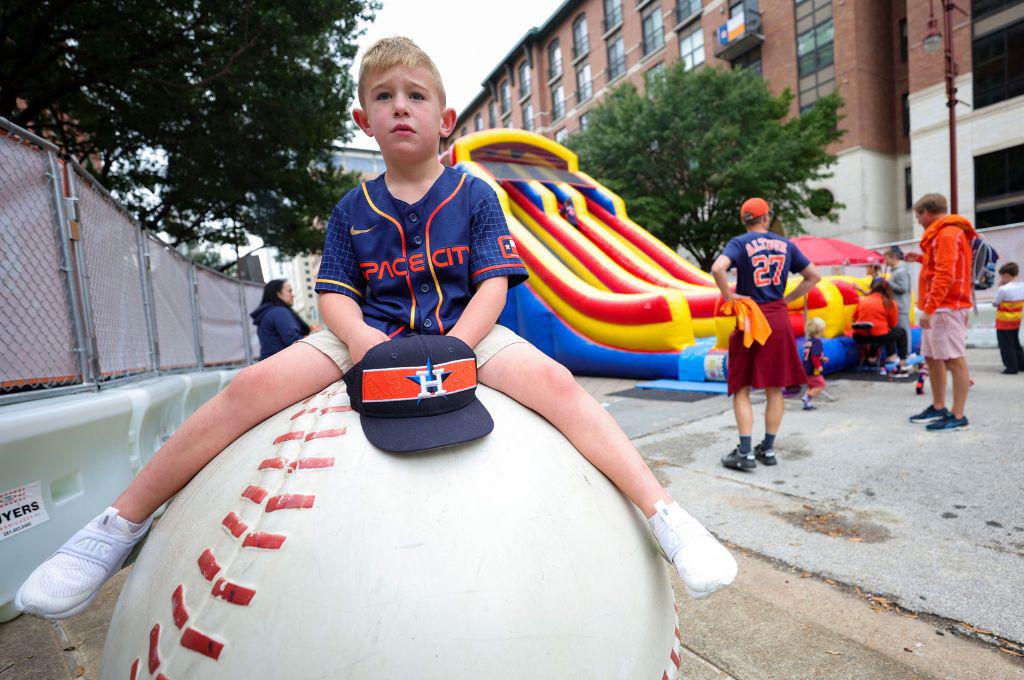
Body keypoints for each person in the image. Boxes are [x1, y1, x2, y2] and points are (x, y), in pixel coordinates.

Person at [16, 36, 736, 620]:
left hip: (466, 328)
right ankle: (114, 529)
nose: (400, 108)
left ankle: (668, 518)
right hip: (368, 330)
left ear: (445, 119)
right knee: (245, 389)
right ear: (363, 121)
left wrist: (458, 345)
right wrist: (367, 349)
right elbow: (335, 296)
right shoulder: (349, 209)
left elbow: (490, 285)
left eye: (415, 96)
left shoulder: (476, 194)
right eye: (383, 97)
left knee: (559, 383)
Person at [711, 197, 821, 470]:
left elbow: (717, 268)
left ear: (744, 220)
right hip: (778, 319)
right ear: (766, 217)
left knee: (742, 387)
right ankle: (768, 450)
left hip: (750, 320)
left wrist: (729, 297)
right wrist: (787, 297)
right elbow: (813, 276)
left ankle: (745, 453)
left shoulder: (739, 243)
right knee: (775, 388)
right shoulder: (786, 245)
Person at [907, 194, 975, 432]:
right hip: (941, 306)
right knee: (932, 356)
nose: (917, 220)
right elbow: (943, 266)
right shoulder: (947, 233)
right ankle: (939, 407)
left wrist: (929, 307)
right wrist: (921, 259)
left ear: (926, 212)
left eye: (917, 215)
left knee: (953, 358)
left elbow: (945, 275)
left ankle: (958, 415)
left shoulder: (946, 233)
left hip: (946, 307)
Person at [852, 278, 910, 377]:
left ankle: (872, 356)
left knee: (874, 331)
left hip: (859, 337)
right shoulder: (889, 302)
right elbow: (893, 323)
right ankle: (902, 361)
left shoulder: (863, 300)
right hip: (879, 336)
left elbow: (854, 318)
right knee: (900, 332)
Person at [250, 279, 311, 360]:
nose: (293, 295)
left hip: (270, 363)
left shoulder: (267, 313)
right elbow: (294, 340)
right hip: (282, 364)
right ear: (278, 294)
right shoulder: (280, 312)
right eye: (289, 291)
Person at [993, 262, 1024, 374]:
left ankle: (1011, 367)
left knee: (1006, 345)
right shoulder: (1022, 285)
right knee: (1015, 342)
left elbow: (996, 303)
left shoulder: (1003, 289)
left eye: (1001, 275)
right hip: (1016, 319)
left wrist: (1000, 287)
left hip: (1004, 321)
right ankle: (1021, 364)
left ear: (1006, 274)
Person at [884, 246, 913, 351]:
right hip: (896, 306)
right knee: (899, 331)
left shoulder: (900, 272)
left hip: (901, 306)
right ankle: (903, 354)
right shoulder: (895, 272)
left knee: (904, 331)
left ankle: (907, 354)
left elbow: (903, 288)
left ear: (894, 257)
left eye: (886, 259)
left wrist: (889, 283)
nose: (885, 262)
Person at [801, 317, 828, 410]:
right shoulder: (817, 342)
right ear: (821, 330)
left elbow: (811, 355)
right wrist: (819, 366)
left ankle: (807, 404)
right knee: (821, 385)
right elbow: (814, 356)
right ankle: (807, 397)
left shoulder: (808, 341)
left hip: (806, 367)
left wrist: (822, 358)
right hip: (813, 369)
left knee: (811, 386)